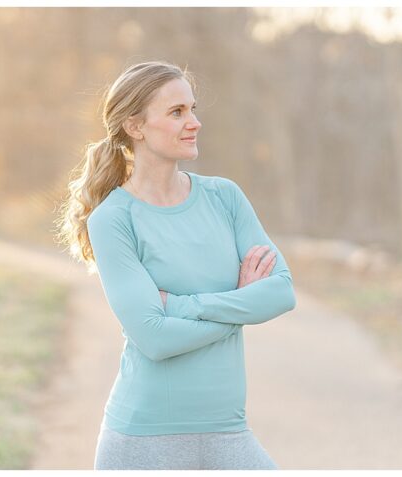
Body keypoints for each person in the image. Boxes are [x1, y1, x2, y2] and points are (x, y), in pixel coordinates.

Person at [58, 61, 296, 470]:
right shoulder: (114, 219)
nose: (195, 122)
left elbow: (280, 293)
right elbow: (154, 338)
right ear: (135, 127)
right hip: (143, 441)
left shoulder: (225, 197)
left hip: (228, 432)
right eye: (176, 112)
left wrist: (184, 306)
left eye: (192, 108)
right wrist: (241, 304)